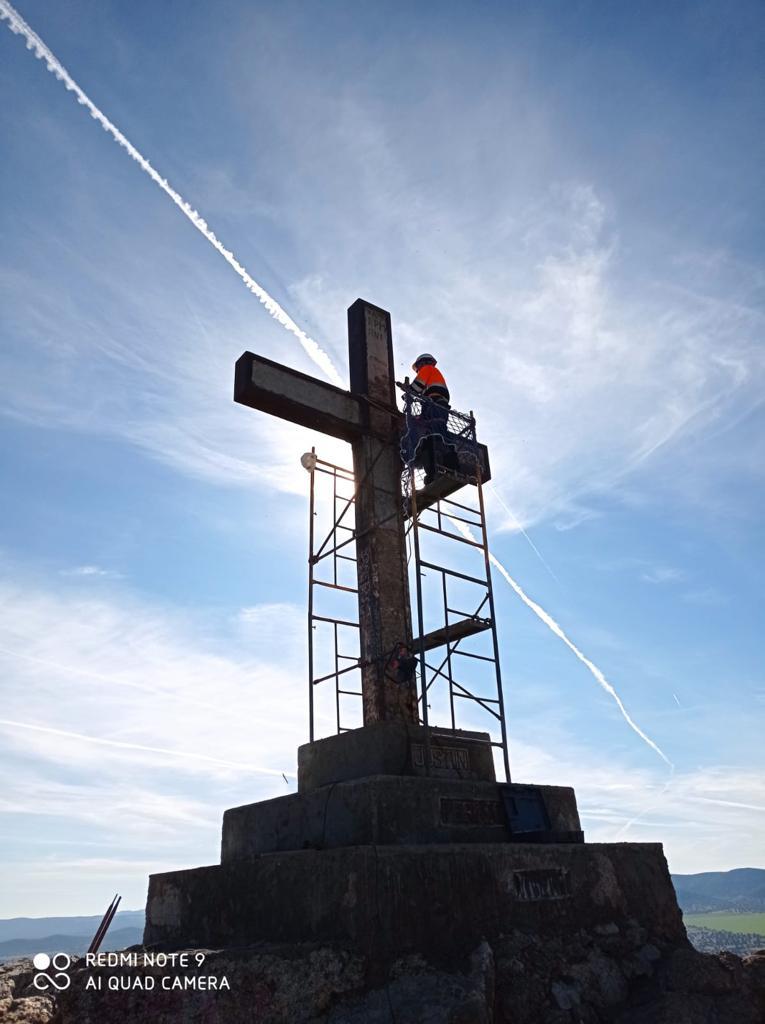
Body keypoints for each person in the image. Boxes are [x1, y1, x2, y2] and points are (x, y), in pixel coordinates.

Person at [410, 354, 453, 485]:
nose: (418, 370)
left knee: (435, 436)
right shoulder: (435, 374)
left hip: (435, 404)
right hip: (438, 406)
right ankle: (444, 469)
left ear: (422, 364)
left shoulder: (427, 369)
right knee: (436, 437)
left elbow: (418, 385)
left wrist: (409, 390)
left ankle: (441, 470)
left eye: (418, 367)